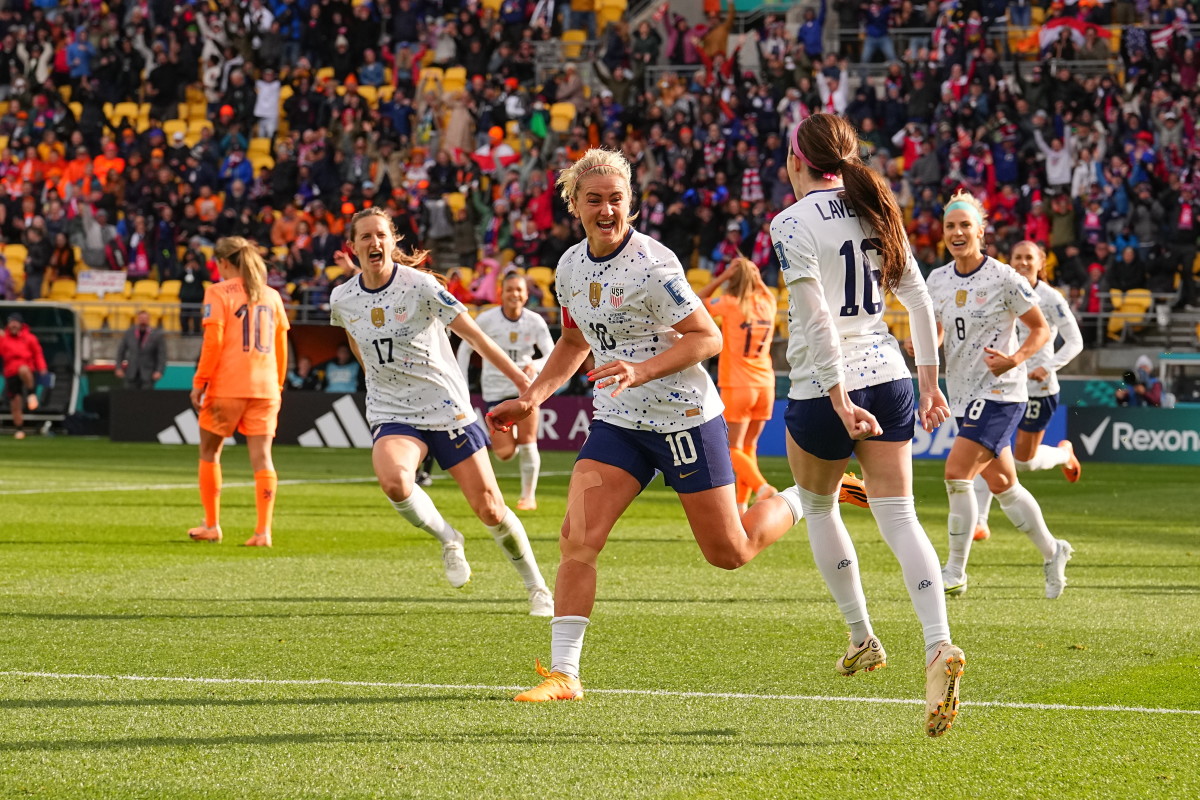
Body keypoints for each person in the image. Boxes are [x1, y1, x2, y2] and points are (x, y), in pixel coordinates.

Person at [488, 148, 804, 704]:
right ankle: (565, 675)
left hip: (683, 418)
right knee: (577, 539)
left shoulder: (654, 265)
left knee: (728, 552)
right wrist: (532, 397)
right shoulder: (568, 267)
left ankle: (806, 497)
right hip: (618, 422)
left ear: (631, 202)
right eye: (595, 200)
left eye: (616, 199)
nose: (607, 210)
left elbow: (708, 338)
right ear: (575, 205)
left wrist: (641, 368)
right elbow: (573, 341)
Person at [773, 114, 963, 737]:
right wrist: (930, 381)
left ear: (798, 161)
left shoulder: (791, 222)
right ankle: (937, 645)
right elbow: (920, 299)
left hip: (823, 387)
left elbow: (814, 317)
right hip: (889, 374)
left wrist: (835, 396)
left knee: (819, 508)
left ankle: (862, 635)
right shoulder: (876, 207)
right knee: (901, 518)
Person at [329, 206, 552, 616]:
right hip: (392, 410)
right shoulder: (342, 298)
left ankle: (536, 586)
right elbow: (357, 342)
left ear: (393, 240)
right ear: (353, 247)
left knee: (490, 509)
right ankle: (450, 538)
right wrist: (378, 381)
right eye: (366, 237)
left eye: (381, 234)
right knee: (395, 482)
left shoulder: (422, 287)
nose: (375, 242)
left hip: (446, 407)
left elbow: (479, 339)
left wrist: (525, 385)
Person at [924, 190, 1074, 601]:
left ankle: (954, 571)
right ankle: (1053, 550)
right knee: (1005, 484)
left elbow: (1041, 329)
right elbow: (939, 326)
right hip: (962, 394)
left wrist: (1014, 359)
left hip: (1002, 393)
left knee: (957, 474)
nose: (957, 232)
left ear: (980, 231)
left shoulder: (1004, 277)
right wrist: (926, 343)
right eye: (951, 226)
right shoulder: (937, 279)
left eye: (965, 225)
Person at [972, 242, 1084, 541]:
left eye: (1028, 258)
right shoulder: (1001, 289)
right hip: (1004, 385)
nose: (1022, 262)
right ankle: (979, 521)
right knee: (988, 447)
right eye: (1017, 257)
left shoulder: (1050, 298)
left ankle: (1063, 454)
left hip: (1039, 388)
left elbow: (1075, 341)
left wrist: (1048, 367)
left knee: (1024, 461)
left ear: (1040, 263)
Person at [187, 236, 290, 548]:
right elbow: (282, 346)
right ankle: (263, 532)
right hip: (266, 387)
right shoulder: (271, 295)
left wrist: (200, 381)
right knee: (263, 459)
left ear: (223, 263)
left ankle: (212, 525)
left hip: (227, 385)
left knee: (210, 452)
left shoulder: (217, 292)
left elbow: (214, 341)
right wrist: (279, 384)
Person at [456, 271, 555, 511]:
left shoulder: (535, 321)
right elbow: (465, 348)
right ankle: (513, 447)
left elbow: (551, 352)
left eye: (519, 290)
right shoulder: (487, 319)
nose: (515, 294)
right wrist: (460, 379)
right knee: (505, 453)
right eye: (510, 289)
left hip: (525, 390)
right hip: (495, 392)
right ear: (502, 293)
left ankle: (528, 497)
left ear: (526, 295)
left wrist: (537, 364)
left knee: (529, 443)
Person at [0, 313, 47, 440]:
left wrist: (42, 368)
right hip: (10, 372)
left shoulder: (29, 338)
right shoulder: (4, 339)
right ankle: (19, 429)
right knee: (15, 402)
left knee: (23, 369)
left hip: (27, 369)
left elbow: (38, 354)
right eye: (11, 322)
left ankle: (31, 394)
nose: (13, 325)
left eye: (16, 322)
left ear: (21, 324)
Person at [114, 309, 168, 389]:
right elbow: (121, 351)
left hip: (148, 373)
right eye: (141, 318)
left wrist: (159, 371)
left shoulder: (156, 335)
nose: (143, 321)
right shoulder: (129, 333)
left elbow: (161, 355)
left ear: (149, 320)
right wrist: (118, 367)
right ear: (137, 320)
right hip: (131, 372)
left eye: (145, 318)